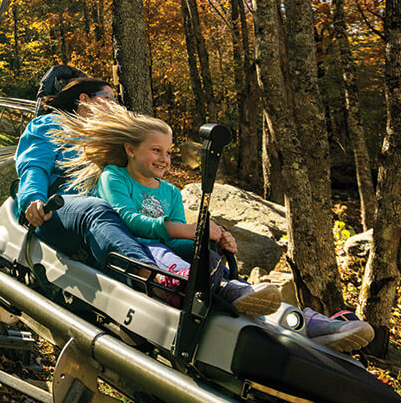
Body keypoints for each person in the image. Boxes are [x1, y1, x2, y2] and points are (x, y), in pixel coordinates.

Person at [52, 101, 376, 353]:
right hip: (136, 250)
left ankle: (306, 323)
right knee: (170, 254)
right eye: (156, 150)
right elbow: (125, 220)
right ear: (130, 149)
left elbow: (181, 235)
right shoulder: (114, 176)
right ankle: (216, 289)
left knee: (205, 254)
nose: (165, 159)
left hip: (171, 253)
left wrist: (215, 238)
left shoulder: (170, 192)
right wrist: (186, 231)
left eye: (168, 152)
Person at [15, 77, 278, 316]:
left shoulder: (111, 142)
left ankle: (230, 288)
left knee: (199, 244)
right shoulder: (51, 124)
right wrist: (32, 199)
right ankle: (152, 279)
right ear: (84, 100)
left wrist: (207, 236)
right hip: (55, 213)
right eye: (108, 98)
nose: (116, 105)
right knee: (94, 208)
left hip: (112, 228)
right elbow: (34, 166)